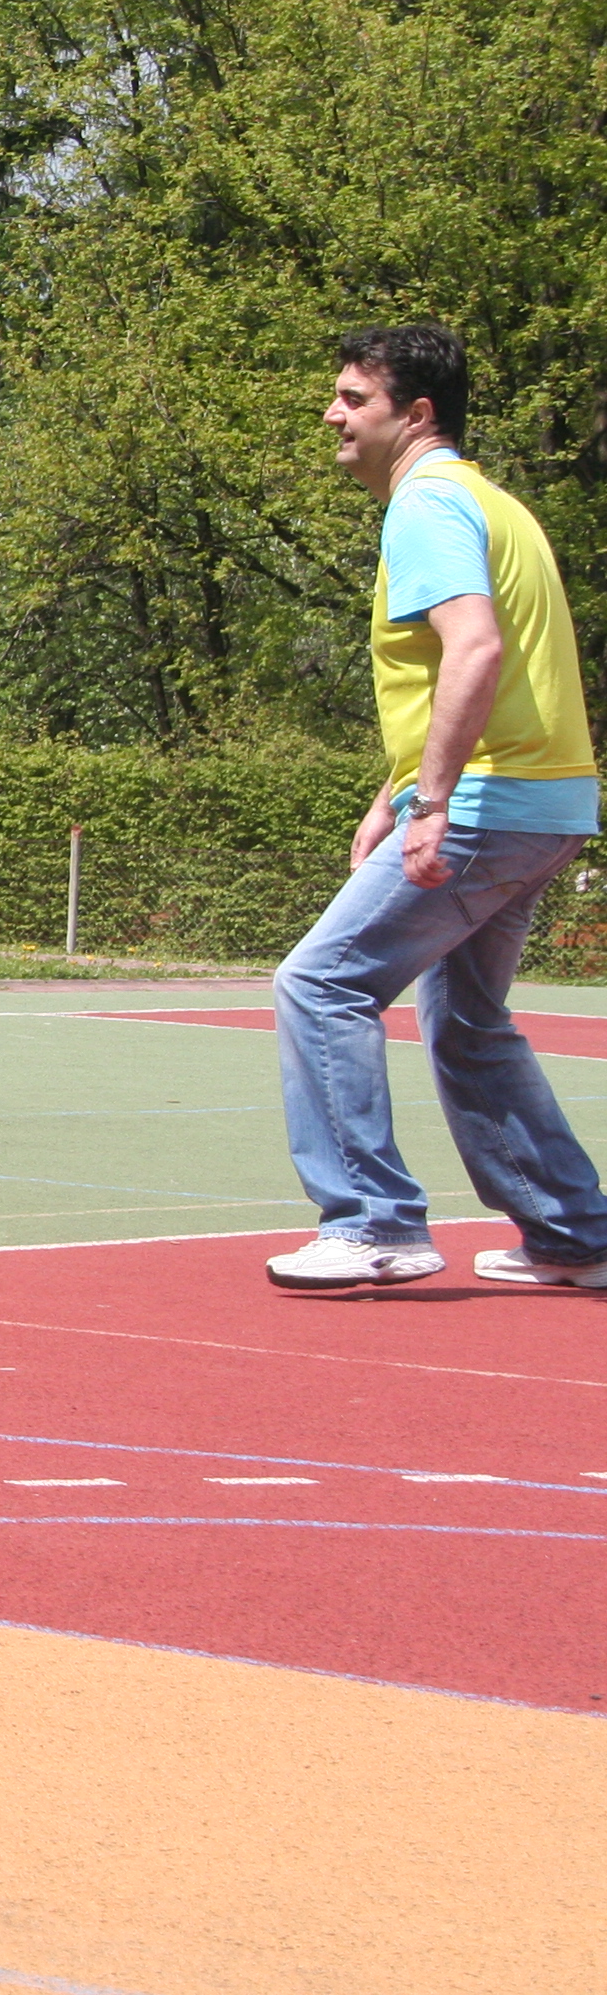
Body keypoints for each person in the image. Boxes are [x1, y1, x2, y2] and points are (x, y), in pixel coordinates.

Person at [266, 325, 607, 1290]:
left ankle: (374, 1222)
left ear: (415, 415)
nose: (331, 415)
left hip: (491, 802)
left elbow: (477, 649)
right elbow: (478, 674)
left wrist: (435, 801)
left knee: (320, 985)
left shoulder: (425, 506)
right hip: (545, 801)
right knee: (464, 1019)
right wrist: (395, 794)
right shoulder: (493, 503)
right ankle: (574, 1232)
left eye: (353, 399)